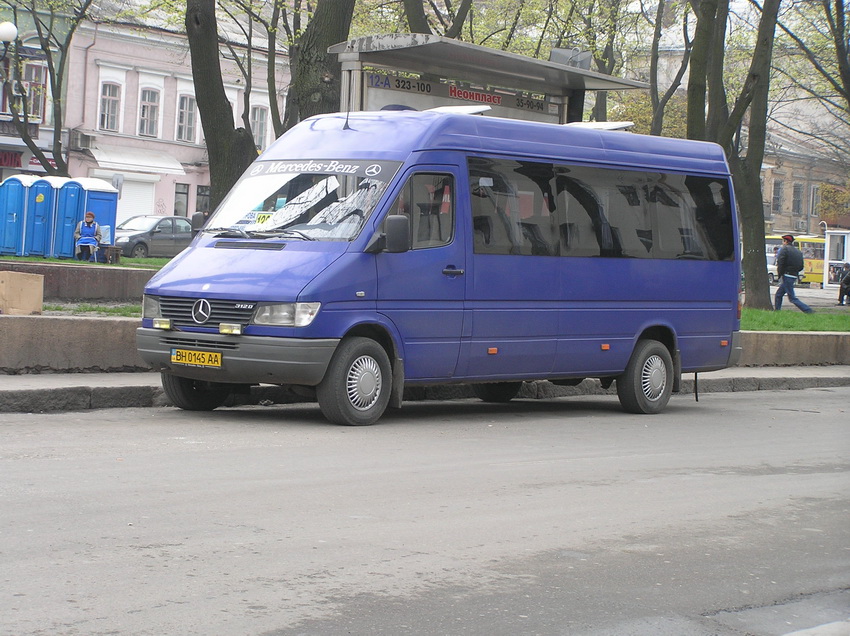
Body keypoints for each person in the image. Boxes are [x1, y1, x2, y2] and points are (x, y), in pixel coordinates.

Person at [774, 234, 814, 313]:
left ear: (785, 241)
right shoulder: (798, 251)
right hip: (794, 275)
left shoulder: (784, 250)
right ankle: (777, 311)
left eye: (783, 241)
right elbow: (801, 266)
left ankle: (808, 310)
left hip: (786, 275)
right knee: (779, 294)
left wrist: (780, 274)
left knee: (792, 298)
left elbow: (780, 263)